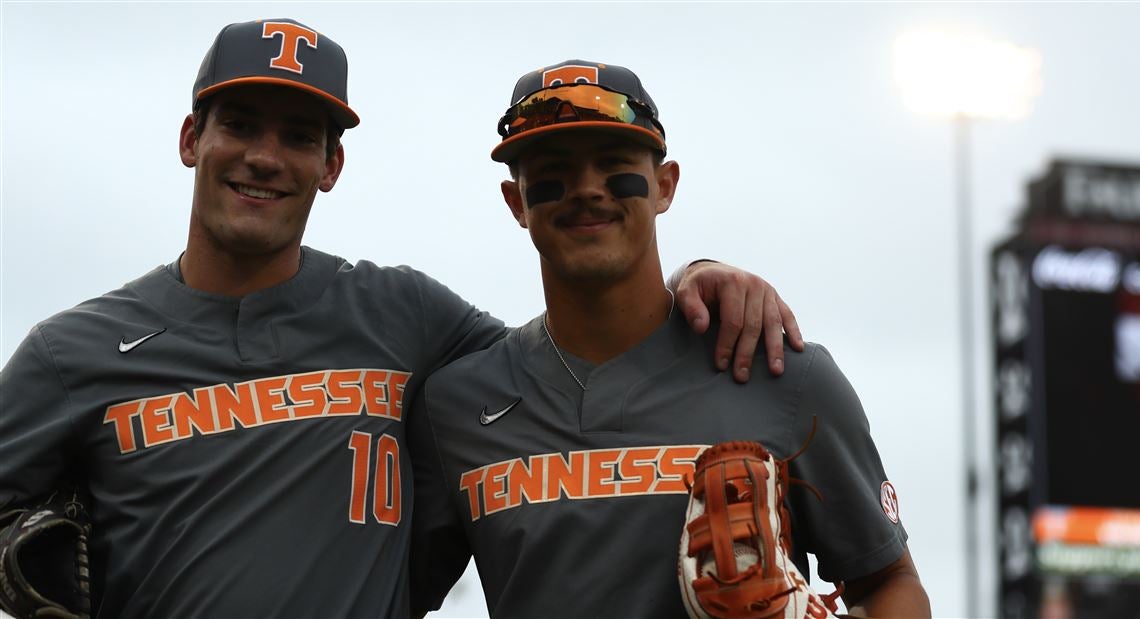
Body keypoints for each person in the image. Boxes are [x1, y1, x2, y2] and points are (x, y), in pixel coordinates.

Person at [0, 22, 802, 618]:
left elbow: (578, 358)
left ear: (332, 165)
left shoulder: (405, 316)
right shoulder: (74, 352)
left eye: (299, 136)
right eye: (240, 125)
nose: (265, 157)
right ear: (191, 140)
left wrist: (696, 277)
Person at [408, 59, 932, 618]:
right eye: (554, 169)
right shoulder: (459, 406)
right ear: (517, 202)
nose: (587, 189)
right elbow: (384, 594)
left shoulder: (781, 371)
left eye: (613, 165)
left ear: (665, 185)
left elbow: (889, 583)